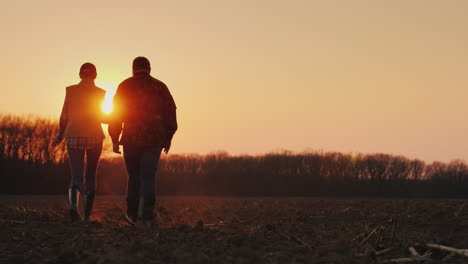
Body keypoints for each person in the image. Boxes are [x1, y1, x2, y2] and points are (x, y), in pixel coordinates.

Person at [109, 56, 177, 226]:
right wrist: (168, 138)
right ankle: (146, 216)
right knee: (148, 177)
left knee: (133, 177)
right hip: (154, 139)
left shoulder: (124, 86)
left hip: (131, 138)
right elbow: (171, 115)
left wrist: (115, 139)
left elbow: (116, 115)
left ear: (133, 69)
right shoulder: (160, 87)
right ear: (149, 69)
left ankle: (132, 215)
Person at [52, 63, 106, 222]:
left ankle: (73, 207)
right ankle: (88, 216)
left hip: (72, 134)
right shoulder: (100, 93)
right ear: (95, 75)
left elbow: (64, 116)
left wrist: (60, 135)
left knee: (76, 176)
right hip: (94, 135)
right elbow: (101, 115)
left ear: (79, 74)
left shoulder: (70, 90)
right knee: (90, 175)